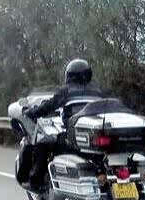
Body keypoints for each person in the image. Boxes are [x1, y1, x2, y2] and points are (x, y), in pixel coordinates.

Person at [23, 59, 103, 190]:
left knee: (43, 145)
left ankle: (36, 182)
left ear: (70, 75)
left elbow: (48, 106)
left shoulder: (66, 91)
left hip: (73, 139)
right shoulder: (98, 92)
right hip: (94, 139)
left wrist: (31, 113)